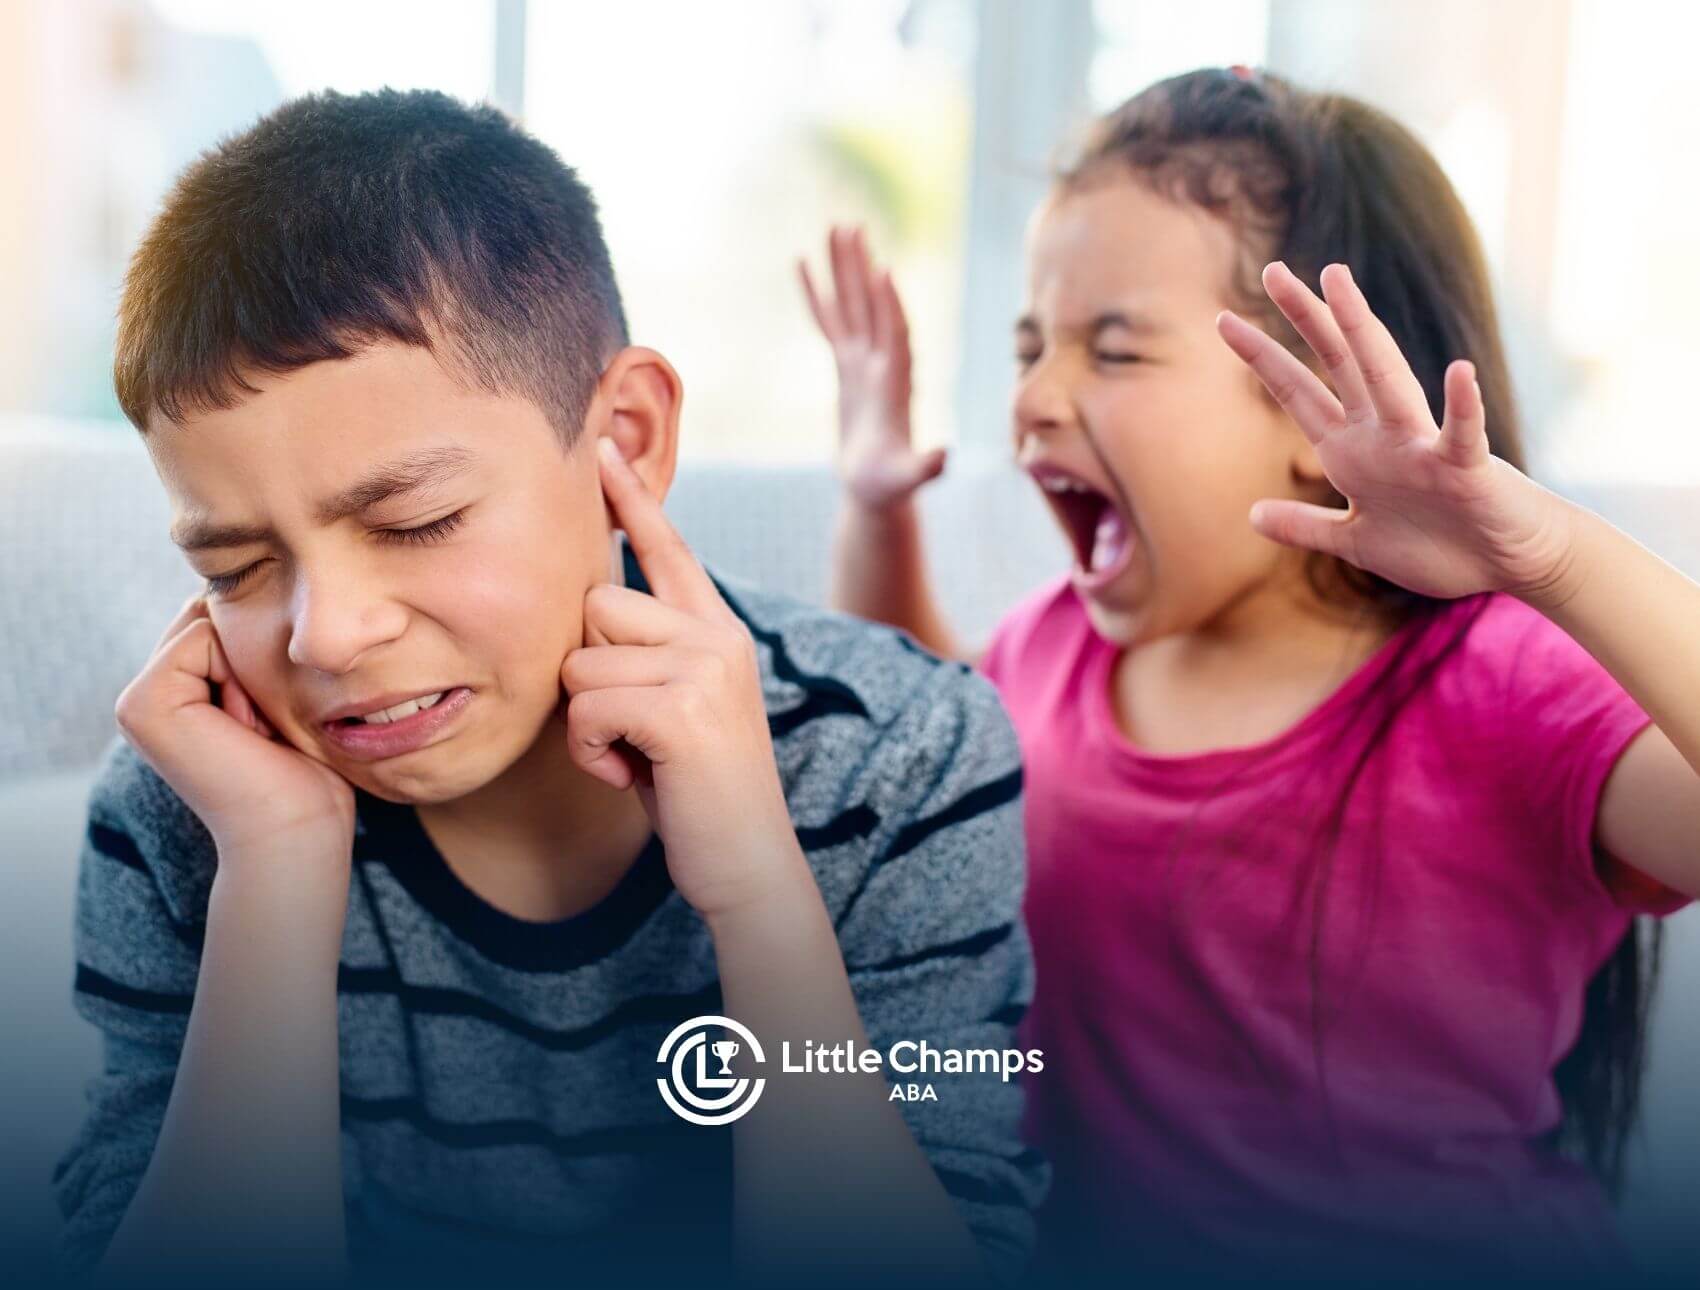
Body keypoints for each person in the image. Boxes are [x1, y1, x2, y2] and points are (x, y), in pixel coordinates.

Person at [54, 88, 1045, 1290]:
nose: (331, 635)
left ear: (623, 438)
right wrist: (274, 872)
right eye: (237, 566)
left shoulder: (900, 759)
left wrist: (754, 890)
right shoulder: (197, 802)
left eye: (413, 521)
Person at [800, 67, 1697, 1282]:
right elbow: (918, 734)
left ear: (1313, 403)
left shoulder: (1505, 686)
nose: (1033, 398)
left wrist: (1545, 553)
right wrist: (873, 507)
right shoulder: (1057, 648)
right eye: (1030, 346)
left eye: (1111, 351)